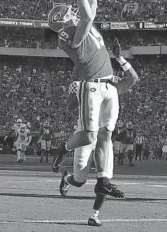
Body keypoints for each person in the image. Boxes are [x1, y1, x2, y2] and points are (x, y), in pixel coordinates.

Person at [47, 0, 131, 198]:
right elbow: (85, 14)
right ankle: (61, 151)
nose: (71, 12)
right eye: (68, 13)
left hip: (108, 85)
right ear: (63, 22)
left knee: (106, 134)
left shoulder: (83, 25)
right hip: (92, 86)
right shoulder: (70, 34)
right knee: (89, 136)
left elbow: (91, 5)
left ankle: (104, 180)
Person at [59, 38, 139, 227]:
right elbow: (70, 107)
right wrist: (75, 91)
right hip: (85, 135)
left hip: (104, 138)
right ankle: (66, 179)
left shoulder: (111, 84)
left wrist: (119, 57)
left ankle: (94, 215)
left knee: (105, 179)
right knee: (79, 180)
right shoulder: (85, 82)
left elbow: (133, 78)